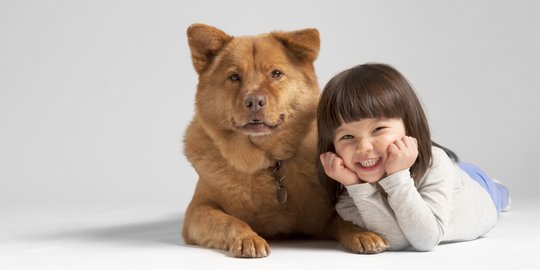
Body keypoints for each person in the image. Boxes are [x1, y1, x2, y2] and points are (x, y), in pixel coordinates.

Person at [317, 63, 510, 251]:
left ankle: (497, 188)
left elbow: (426, 239)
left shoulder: (435, 163)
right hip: (446, 175)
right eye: (347, 137)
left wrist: (397, 176)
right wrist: (358, 187)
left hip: (480, 190)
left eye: (378, 129)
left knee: (497, 191)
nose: (363, 147)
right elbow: (397, 241)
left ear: (409, 126)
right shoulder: (349, 191)